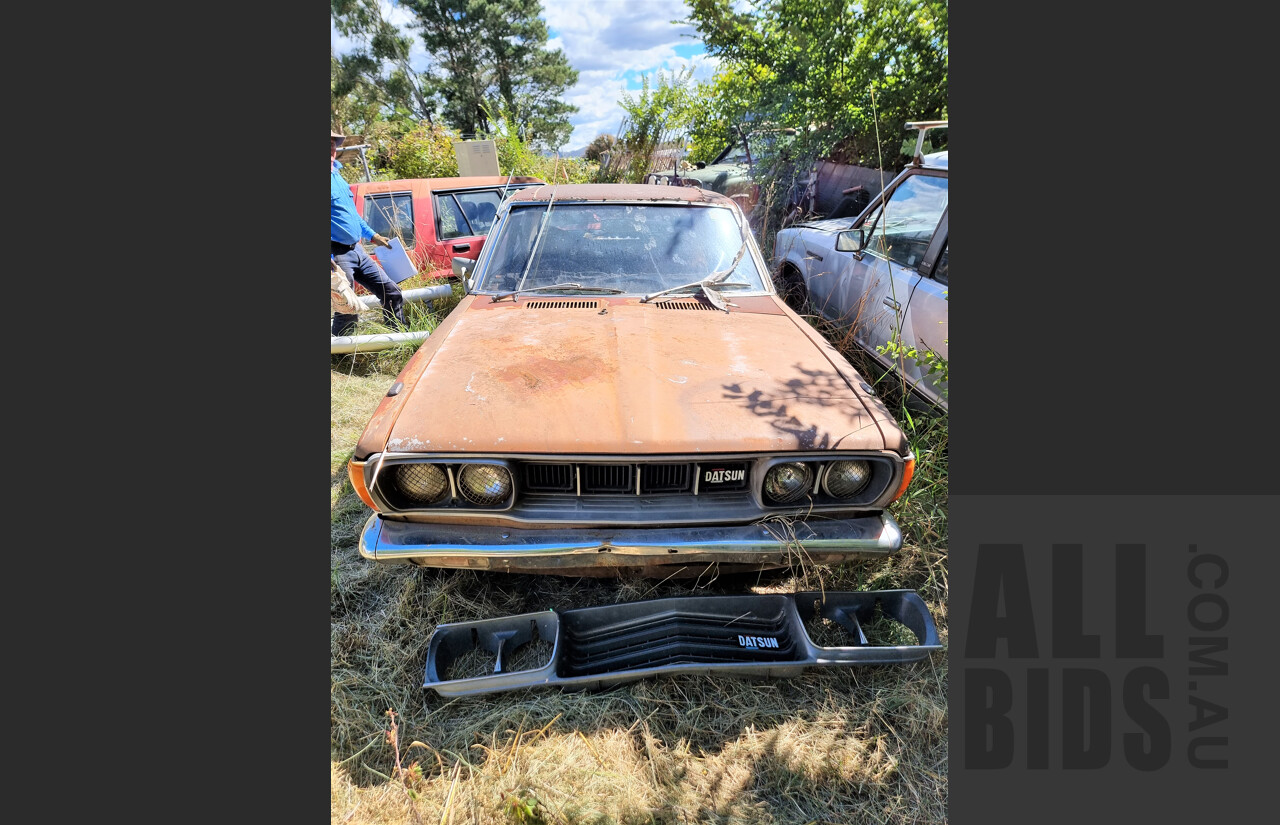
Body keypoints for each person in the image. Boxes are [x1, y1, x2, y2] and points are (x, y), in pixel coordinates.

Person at [331, 128, 406, 336]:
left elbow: (352, 216)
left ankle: (399, 338)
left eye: (333, 143)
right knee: (347, 307)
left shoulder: (337, 176)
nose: (331, 147)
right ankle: (340, 360)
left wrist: (373, 236)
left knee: (392, 292)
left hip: (358, 250)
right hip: (336, 254)